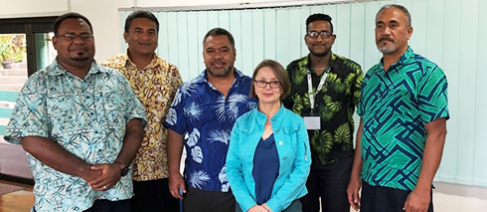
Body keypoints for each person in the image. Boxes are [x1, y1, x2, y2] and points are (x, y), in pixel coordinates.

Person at [3, 12, 147, 212]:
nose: (79, 41)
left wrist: (119, 165)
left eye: (85, 35)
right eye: (70, 36)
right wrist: (85, 171)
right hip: (62, 200)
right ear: (55, 42)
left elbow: (136, 125)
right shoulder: (39, 84)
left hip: (114, 193)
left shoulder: (116, 80)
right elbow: (32, 140)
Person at [347, 4, 449, 212]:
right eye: (380, 26)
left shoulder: (427, 73)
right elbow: (363, 126)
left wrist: (422, 191)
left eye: (393, 25)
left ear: (409, 31)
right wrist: (355, 177)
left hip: (406, 185)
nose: (385, 32)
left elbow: (437, 134)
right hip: (372, 181)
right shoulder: (370, 77)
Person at [164, 28, 257, 212]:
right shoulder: (187, 91)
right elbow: (175, 132)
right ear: (203, 55)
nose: (217, 56)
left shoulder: (255, 89)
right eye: (211, 51)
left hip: (250, 183)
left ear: (234, 53)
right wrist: (174, 173)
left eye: (224, 50)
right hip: (202, 185)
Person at [102, 10, 182, 212]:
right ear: (126, 36)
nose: (145, 37)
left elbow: (178, 123)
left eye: (151, 32)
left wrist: (175, 171)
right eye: (138, 31)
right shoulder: (107, 71)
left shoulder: (170, 73)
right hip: (117, 172)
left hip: (159, 173)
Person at [283, 13, 364, 212]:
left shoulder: (351, 70)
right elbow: (282, 114)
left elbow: (365, 115)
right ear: (306, 38)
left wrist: (357, 170)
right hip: (301, 160)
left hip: (338, 161)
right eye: (313, 33)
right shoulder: (293, 70)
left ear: (333, 38)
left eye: (325, 33)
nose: (319, 38)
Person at [226, 60, 311, 212]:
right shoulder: (241, 124)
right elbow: (233, 168)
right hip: (248, 207)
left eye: (274, 82)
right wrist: (250, 206)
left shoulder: (296, 123)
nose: (267, 87)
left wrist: (271, 207)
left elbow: (302, 168)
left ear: (283, 86)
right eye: (262, 82)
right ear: (254, 86)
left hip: (287, 206)